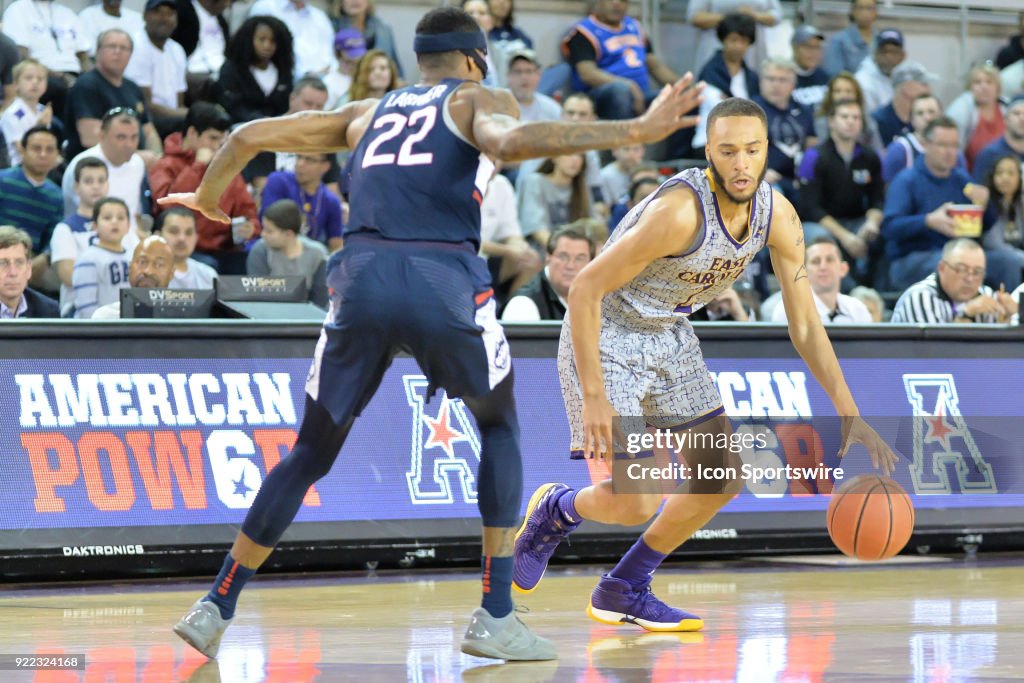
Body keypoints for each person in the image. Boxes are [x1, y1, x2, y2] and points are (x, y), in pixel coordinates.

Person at [160, 5, 704, 663]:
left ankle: (215, 602)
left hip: (357, 279)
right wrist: (635, 127)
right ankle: (496, 614)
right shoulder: (478, 96)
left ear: (421, 59)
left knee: (309, 451)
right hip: (441, 277)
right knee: (499, 426)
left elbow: (246, 134)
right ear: (477, 57)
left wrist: (212, 200)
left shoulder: (368, 110)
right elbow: (508, 144)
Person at [511, 97, 896, 633]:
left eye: (753, 151)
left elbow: (805, 324)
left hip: (670, 333)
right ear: (709, 152)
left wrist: (849, 411)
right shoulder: (680, 211)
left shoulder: (777, 215)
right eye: (728, 151)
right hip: (607, 334)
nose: (741, 163)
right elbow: (585, 289)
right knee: (636, 499)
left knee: (719, 480)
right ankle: (558, 509)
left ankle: (624, 587)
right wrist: (595, 395)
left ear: (767, 153)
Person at [891, 238, 1017, 323]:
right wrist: (966, 314)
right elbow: (934, 355)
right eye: (961, 269)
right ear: (942, 268)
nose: (970, 278)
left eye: (977, 272)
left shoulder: (987, 296)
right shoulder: (920, 297)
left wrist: (1010, 317)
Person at [247, 198, 329, 307]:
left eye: (269, 231)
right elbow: (258, 297)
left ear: (288, 234)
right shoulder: (260, 251)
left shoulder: (318, 254)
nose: (263, 234)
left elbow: (320, 301)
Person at [771, 235, 873, 323]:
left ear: (843, 269)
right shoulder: (787, 312)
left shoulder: (859, 310)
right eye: (815, 261)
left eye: (830, 260)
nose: (823, 267)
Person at [501, 227, 595, 321]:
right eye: (563, 257)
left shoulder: (597, 298)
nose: (570, 266)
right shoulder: (523, 305)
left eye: (579, 259)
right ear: (548, 258)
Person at [71, 197, 133, 318]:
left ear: (128, 226)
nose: (114, 222)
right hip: (97, 330)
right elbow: (86, 306)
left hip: (127, 328)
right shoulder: (88, 259)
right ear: (95, 226)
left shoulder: (133, 258)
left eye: (121, 218)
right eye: (107, 218)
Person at [91, 234, 177, 318]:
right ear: (130, 267)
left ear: (171, 273)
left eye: (159, 264)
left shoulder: (182, 320)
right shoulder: (106, 318)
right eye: (142, 262)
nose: (148, 271)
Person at [152, 206, 218, 290]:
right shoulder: (147, 274)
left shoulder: (208, 275)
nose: (182, 238)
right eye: (174, 231)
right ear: (157, 236)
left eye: (188, 232)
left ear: (196, 238)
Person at [0, 225, 58, 318]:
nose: (13, 273)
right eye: (3, 263)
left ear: (29, 269)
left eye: (19, 262)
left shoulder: (48, 310)